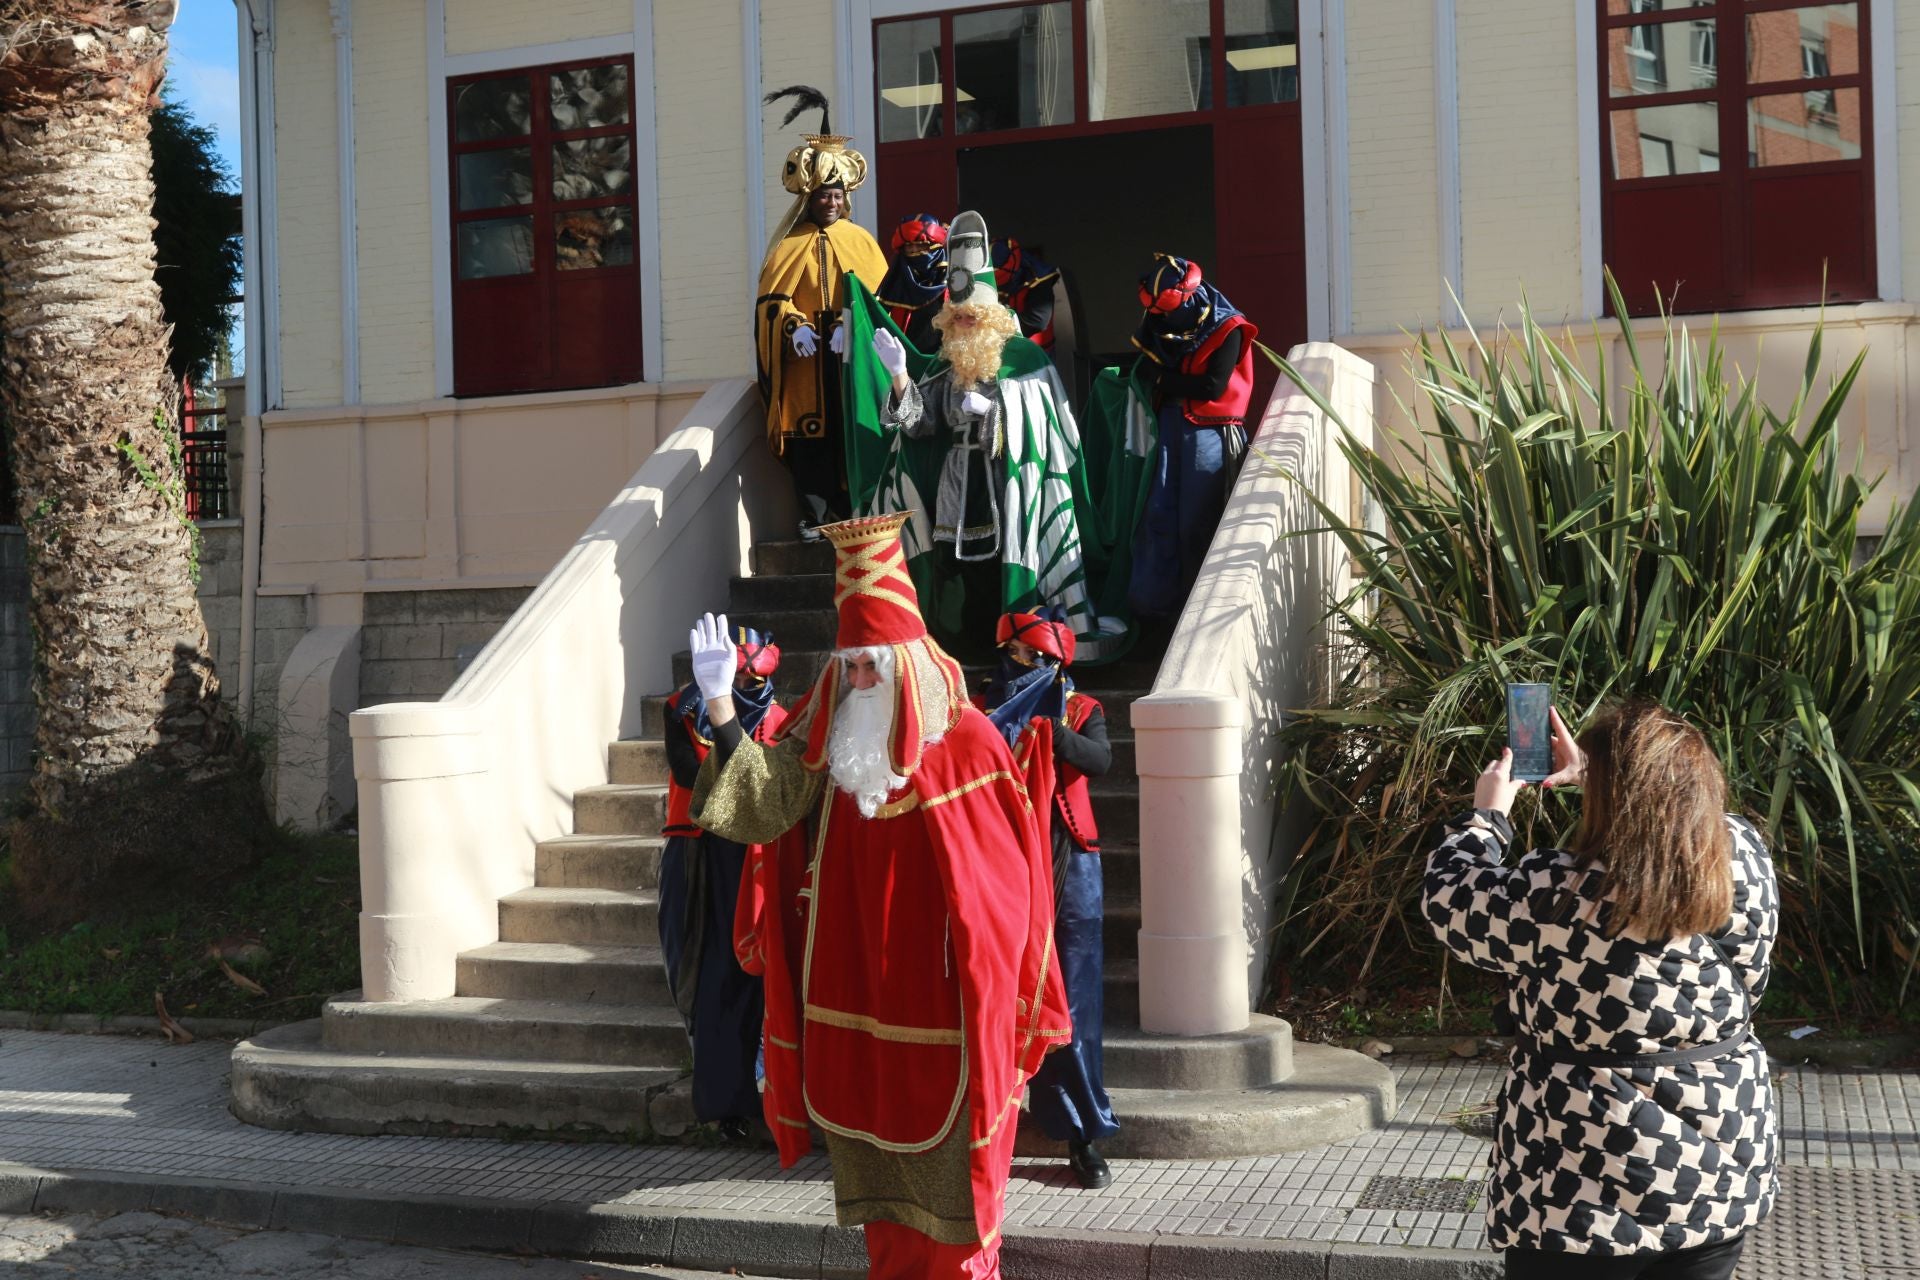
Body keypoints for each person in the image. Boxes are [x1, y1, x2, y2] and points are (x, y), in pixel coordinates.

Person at [686, 513, 1070, 1280]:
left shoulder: (967, 746)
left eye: (873, 669)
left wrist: (985, 1001)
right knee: (881, 1216)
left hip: (945, 1022)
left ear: (911, 664)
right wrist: (723, 709)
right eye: (850, 666)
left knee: (956, 1226)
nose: (859, 683)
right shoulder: (829, 737)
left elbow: (1005, 904)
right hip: (854, 1014)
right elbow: (763, 805)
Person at [1423, 700, 1778, 1280]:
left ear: (1610, 791)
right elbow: (1665, 820)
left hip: (1580, 1186)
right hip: (1715, 1176)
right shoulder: (1744, 856)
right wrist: (1605, 773)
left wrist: (1488, 814)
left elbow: (1452, 897)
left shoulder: (1555, 890)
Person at [866, 210, 1102, 659]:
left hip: (1009, 484)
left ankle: (1012, 651)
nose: (963, 323)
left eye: (971, 315)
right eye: (957, 316)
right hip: (956, 482)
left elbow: (1045, 432)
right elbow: (918, 426)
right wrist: (899, 376)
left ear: (991, 315)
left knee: (1002, 565)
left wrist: (996, 411)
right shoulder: (944, 364)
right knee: (955, 570)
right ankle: (960, 653)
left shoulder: (1025, 362)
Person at [975, 608, 1119, 1190]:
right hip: (999, 862)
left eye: (1048, 662)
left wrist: (1052, 733)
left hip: (1072, 866)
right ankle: (986, 1131)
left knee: (1073, 1001)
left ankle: (1083, 1133)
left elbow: (1101, 760)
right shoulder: (980, 710)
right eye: (1026, 658)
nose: (1037, 669)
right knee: (992, 995)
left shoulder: (1084, 709)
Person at [656, 624, 787, 1136]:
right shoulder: (681, 709)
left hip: (755, 854)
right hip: (696, 850)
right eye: (742, 678)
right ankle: (724, 1102)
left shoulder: (779, 719)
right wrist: (712, 702)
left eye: (756, 680)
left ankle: (763, 1092)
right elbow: (692, 776)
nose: (750, 688)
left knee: (757, 975)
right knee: (704, 974)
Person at [754, 85, 889, 538]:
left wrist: (851, 326)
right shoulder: (789, 244)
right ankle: (814, 518)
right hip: (806, 362)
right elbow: (772, 299)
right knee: (811, 439)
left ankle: (856, 510)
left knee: (852, 429)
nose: (830, 203)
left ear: (844, 198)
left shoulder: (861, 241)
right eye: (822, 197)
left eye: (836, 196)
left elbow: (879, 300)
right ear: (809, 201)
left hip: (849, 356)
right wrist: (792, 326)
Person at [1126, 253, 1259, 621]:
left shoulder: (1228, 326)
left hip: (1211, 432)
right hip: (1169, 425)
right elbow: (1153, 367)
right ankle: (1158, 614)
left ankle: (1199, 613)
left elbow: (1211, 387)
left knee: (1197, 524)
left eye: (1168, 306)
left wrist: (1164, 382)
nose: (1162, 316)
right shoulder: (1158, 318)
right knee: (1159, 515)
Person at [877, 213, 948, 353]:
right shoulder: (895, 280)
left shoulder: (954, 281)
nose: (915, 251)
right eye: (909, 247)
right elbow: (874, 314)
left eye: (922, 246)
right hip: (902, 359)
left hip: (942, 359)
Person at [990, 236, 1059, 353]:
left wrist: (994, 329)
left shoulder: (1038, 275)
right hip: (1001, 349)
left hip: (1034, 352)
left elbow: (1037, 320)